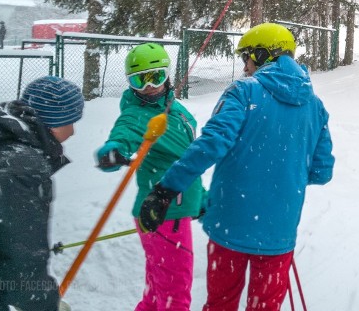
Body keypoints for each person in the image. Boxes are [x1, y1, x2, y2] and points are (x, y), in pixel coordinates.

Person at [139, 23, 334, 311]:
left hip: (230, 226)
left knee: (221, 303)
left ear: (264, 54)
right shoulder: (315, 105)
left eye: (246, 58)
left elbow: (211, 144)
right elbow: (322, 170)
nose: (245, 67)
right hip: (278, 232)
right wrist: (281, 177)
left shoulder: (243, 92)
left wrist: (166, 189)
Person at [95, 43, 204, 311]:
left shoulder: (177, 110)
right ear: (130, 84)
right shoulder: (136, 115)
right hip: (162, 212)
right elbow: (122, 136)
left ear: (167, 76)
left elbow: (185, 159)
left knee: (158, 293)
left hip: (173, 209)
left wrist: (199, 198)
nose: (150, 87)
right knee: (174, 295)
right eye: (139, 80)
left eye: (156, 76)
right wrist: (113, 153)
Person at [0, 76, 84, 311]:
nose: (74, 131)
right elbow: (21, 257)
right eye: (71, 121)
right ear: (55, 122)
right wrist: (44, 303)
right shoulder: (20, 167)